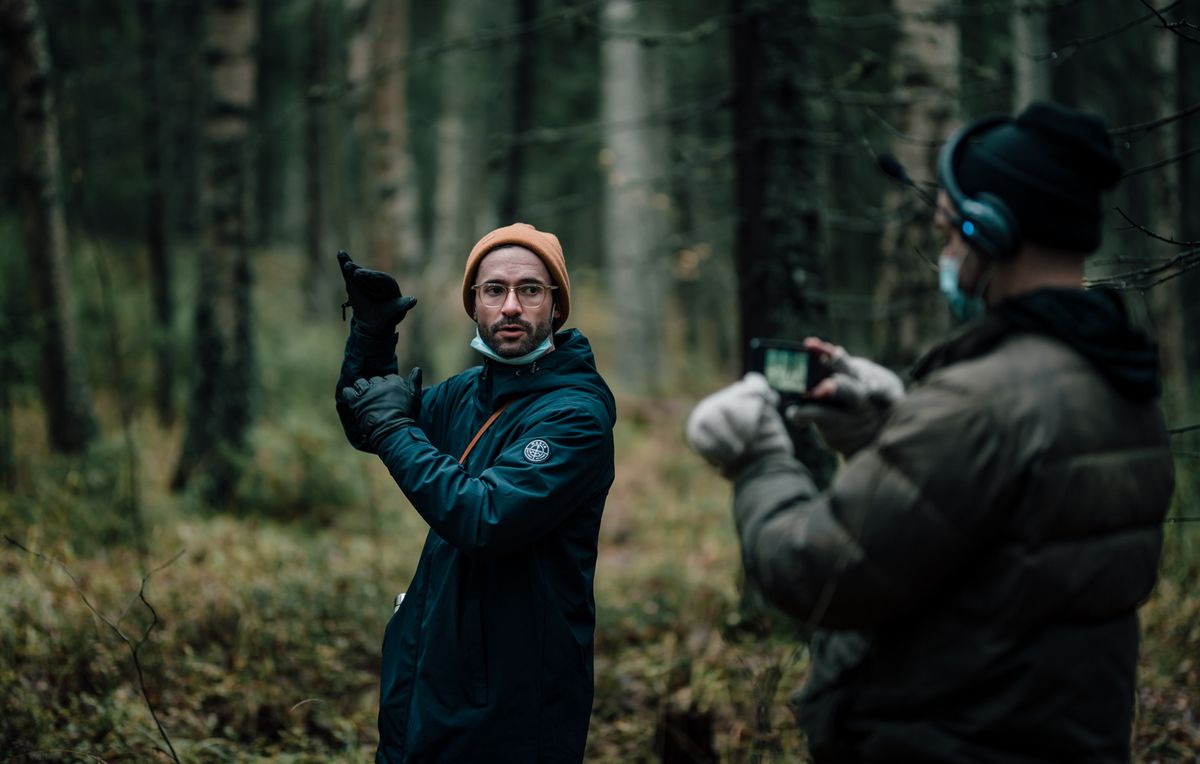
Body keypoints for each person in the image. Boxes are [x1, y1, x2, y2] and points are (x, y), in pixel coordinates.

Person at [685, 102, 1175, 762]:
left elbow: (817, 572)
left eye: (949, 234)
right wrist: (880, 432)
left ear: (990, 233)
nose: (945, 253)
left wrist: (760, 460)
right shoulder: (1121, 383)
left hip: (951, 741)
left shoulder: (981, 403)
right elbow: (991, 545)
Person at [335, 223, 617, 763]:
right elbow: (368, 422)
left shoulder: (575, 416)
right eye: (494, 290)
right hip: (438, 669)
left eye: (530, 289)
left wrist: (395, 429)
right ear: (474, 304)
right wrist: (371, 339)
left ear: (556, 307)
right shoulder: (471, 391)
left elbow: (483, 516)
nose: (511, 306)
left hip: (514, 701)